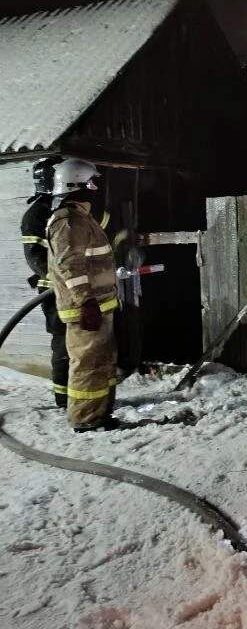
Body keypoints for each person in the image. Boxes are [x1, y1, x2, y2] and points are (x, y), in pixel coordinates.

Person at [46, 158, 119, 432]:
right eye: (91, 183)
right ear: (75, 184)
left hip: (99, 305)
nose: (95, 189)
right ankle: (86, 420)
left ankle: (100, 414)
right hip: (86, 308)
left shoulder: (81, 218)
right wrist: (86, 301)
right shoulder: (68, 222)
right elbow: (70, 265)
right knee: (88, 365)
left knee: (101, 363)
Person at [21, 156, 68, 406]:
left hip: (73, 288)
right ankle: (63, 396)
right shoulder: (36, 214)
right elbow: (35, 257)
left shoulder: (64, 209)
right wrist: (60, 279)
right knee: (62, 341)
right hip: (53, 291)